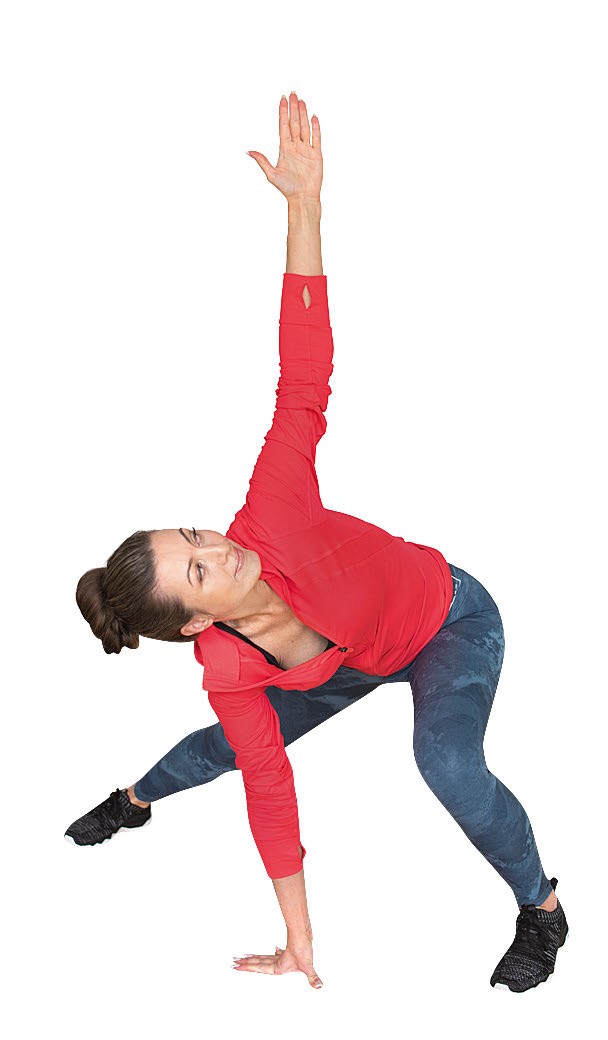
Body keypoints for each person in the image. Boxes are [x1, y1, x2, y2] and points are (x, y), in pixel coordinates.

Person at [65, 91, 568, 993]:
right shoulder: (228, 666)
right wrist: (298, 940)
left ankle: (543, 908)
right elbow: (271, 791)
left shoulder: (273, 510)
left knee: (446, 762)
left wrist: (305, 209)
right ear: (196, 625)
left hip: (447, 621)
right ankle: (133, 801)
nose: (221, 547)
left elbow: (303, 375)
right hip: (350, 660)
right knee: (226, 747)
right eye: (199, 569)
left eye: (197, 534)